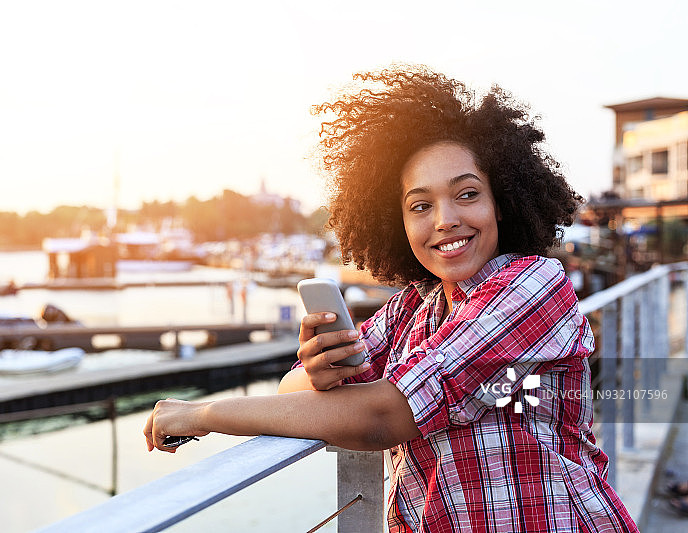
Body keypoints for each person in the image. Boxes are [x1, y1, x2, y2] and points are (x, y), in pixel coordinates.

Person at [143, 65, 639, 532]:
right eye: (420, 205)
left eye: (467, 194)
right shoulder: (413, 307)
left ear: (502, 201)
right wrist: (317, 371)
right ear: (397, 224)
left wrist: (202, 415)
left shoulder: (533, 287)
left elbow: (381, 415)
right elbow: (294, 396)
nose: (445, 219)